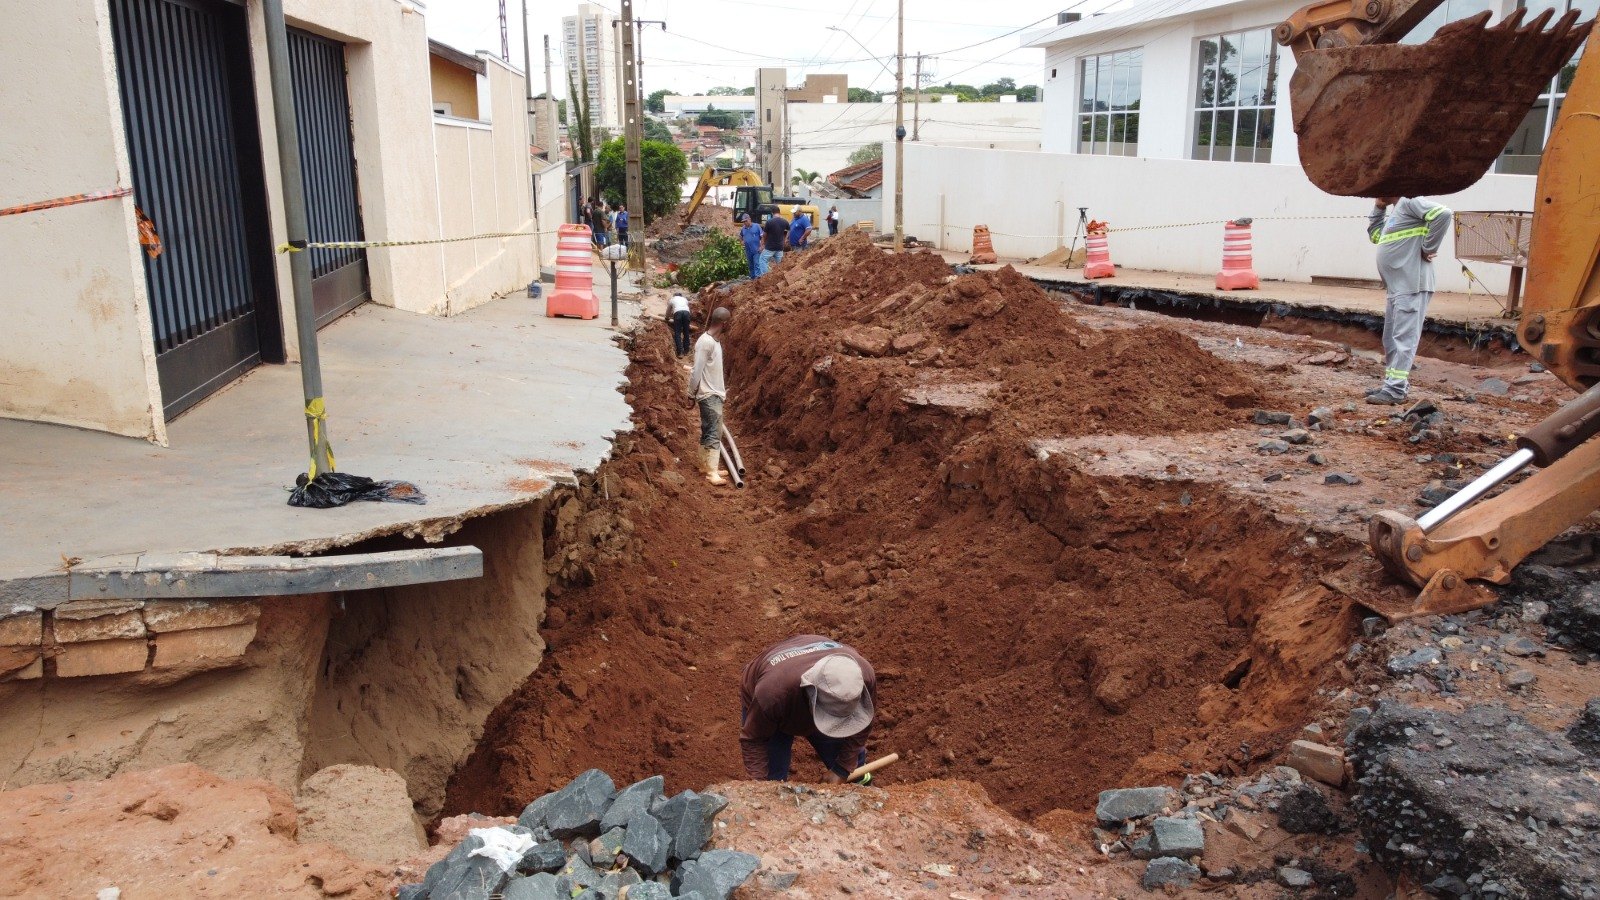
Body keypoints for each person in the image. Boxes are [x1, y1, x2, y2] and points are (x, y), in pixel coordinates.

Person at [739, 634, 877, 784]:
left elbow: (863, 723)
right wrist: (761, 788)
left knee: (853, 770)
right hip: (776, 705)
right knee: (772, 781)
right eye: (830, 719)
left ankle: (862, 785)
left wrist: (842, 770)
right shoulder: (771, 695)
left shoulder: (862, 676)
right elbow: (754, 739)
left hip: (813, 694)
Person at [1367, 196, 1453, 405]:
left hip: (1412, 284)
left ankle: (1395, 389)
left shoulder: (1409, 201)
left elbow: (1443, 213)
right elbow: (1376, 236)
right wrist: (1378, 208)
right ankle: (1393, 384)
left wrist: (1428, 247)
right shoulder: (1396, 212)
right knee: (1391, 338)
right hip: (1398, 286)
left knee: (1404, 338)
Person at [688, 307, 731, 484]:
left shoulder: (714, 341)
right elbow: (696, 371)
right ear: (723, 323)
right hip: (709, 394)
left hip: (714, 393)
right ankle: (711, 472)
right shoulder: (706, 343)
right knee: (714, 432)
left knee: (709, 430)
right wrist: (690, 393)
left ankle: (705, 465)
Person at [666, 292, 692, 357]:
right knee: (686, 331)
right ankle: (686, 350)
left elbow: (668, 310)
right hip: (687, 313)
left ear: (674, 295)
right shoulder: (685, 299)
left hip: (677, 313)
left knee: (677, 332)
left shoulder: (672, 299)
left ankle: (680, 352)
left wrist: (667, 317)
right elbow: (686, 308)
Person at [739, 213, 764, 278]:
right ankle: (752, 279)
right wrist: (741, 241)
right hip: (748, 251)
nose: (745, 223)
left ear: (750, 219)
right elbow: (740, 236)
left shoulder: (757, 226)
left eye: (746, 221)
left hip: (756, 250)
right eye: (743, 222)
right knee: (750, 265)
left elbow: (762, 236)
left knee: (756, 264)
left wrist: (761, 246)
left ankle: (757, 279)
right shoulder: (743, 229)